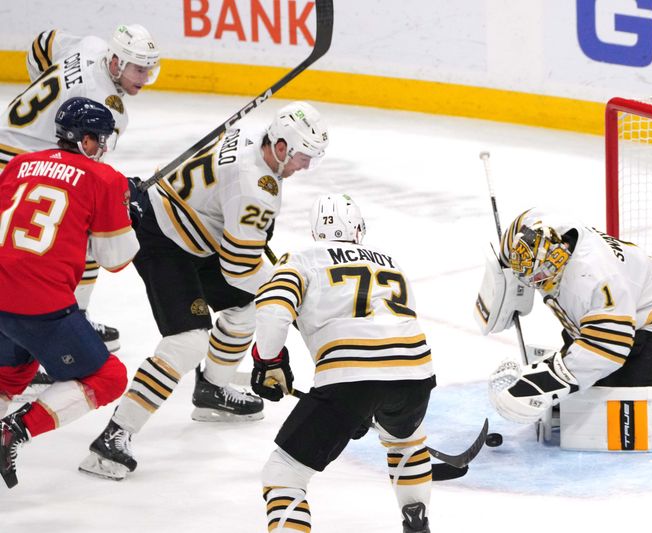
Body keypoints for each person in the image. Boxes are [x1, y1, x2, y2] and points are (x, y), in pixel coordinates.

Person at [78, 101, 330, 481]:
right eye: (303, 157)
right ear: (281, 147)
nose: (305, 166)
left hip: (194, 231)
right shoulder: (257, 190)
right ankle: (114, 436)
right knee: (188, 340)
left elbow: (238, 257)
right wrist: (289, 292)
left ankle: (212, 390)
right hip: (163, 238)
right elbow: (240, 268)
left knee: (246, 307)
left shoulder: (246, 134)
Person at [250, 194, 436, 532]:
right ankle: (417, 521)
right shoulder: (389, 262)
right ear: (359, 228)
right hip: (416, 372)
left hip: (351, 377)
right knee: (406, 441)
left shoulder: (301, 259)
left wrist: (268, 361)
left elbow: (273, 310)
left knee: (284, 472)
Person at [0, 97, 139, 488]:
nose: (104, 148)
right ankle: (14, 431)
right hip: (39, 302)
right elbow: (115, 259)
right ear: (86, 140)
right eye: (101, 140)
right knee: (108, 377)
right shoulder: (104, 179)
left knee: (9, 374)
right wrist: (127, 215)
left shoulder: (17, 164)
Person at [1, 24, 161, 352]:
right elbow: (90, 168)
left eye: (149, 70)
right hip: (21, 165)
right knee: (83, 236)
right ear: (115, 61)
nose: (144, 79)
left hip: (9, 145)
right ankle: (68, 324)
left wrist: (48, 103)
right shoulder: (107, 105)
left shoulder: (90, 44)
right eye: (139, 70)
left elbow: (43, 43)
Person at [476, 208, 652, 426]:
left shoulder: (594, 279)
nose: (534, 283)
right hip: (609, 317)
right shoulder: (539, 227)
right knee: (576, 407)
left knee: (621, 421)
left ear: (558, 258)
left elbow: (606, 350)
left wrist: (541, 384)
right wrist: (505, 272)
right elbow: (518, 230)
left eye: (539, 276)